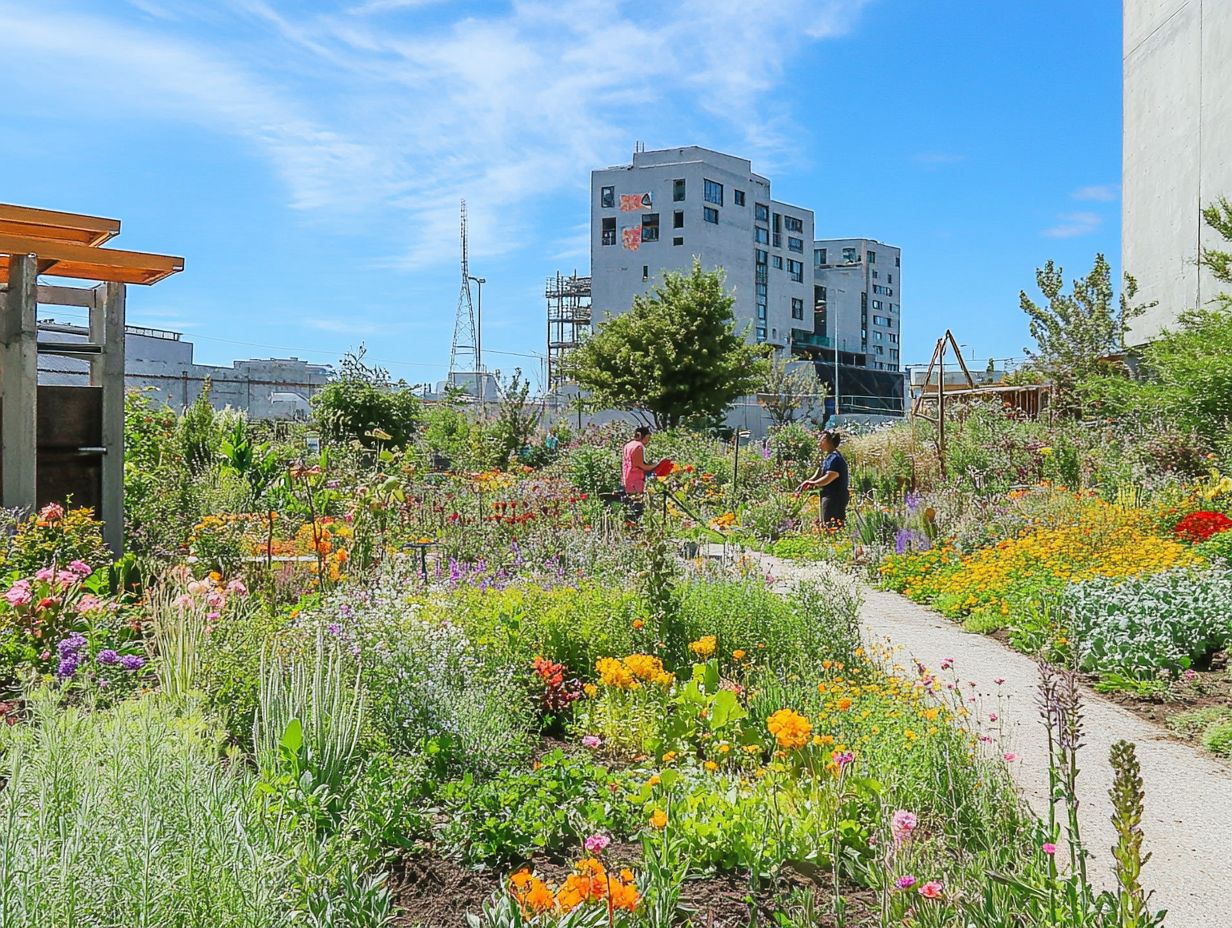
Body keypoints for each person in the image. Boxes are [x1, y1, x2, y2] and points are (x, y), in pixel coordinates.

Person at [796, 430, 849, 527]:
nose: (819, 443)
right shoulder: (829, 457)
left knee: (832, 526)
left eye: (821, 440)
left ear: (828, 441)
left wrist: (813, 484)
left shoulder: (835, 459)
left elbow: (829, 477)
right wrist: (808, 481)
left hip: (835, 497)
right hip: (828, 495)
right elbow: (820, 472)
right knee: (826, 524)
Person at [621, 425, 658, 520]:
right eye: (648, 438)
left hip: (627, 478)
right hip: (636, 480)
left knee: (629, 505)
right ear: (643, 436)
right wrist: (657, 465)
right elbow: (641, 465)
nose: (648, 440)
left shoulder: (628, 445)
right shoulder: (638, 446)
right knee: (637, 508)